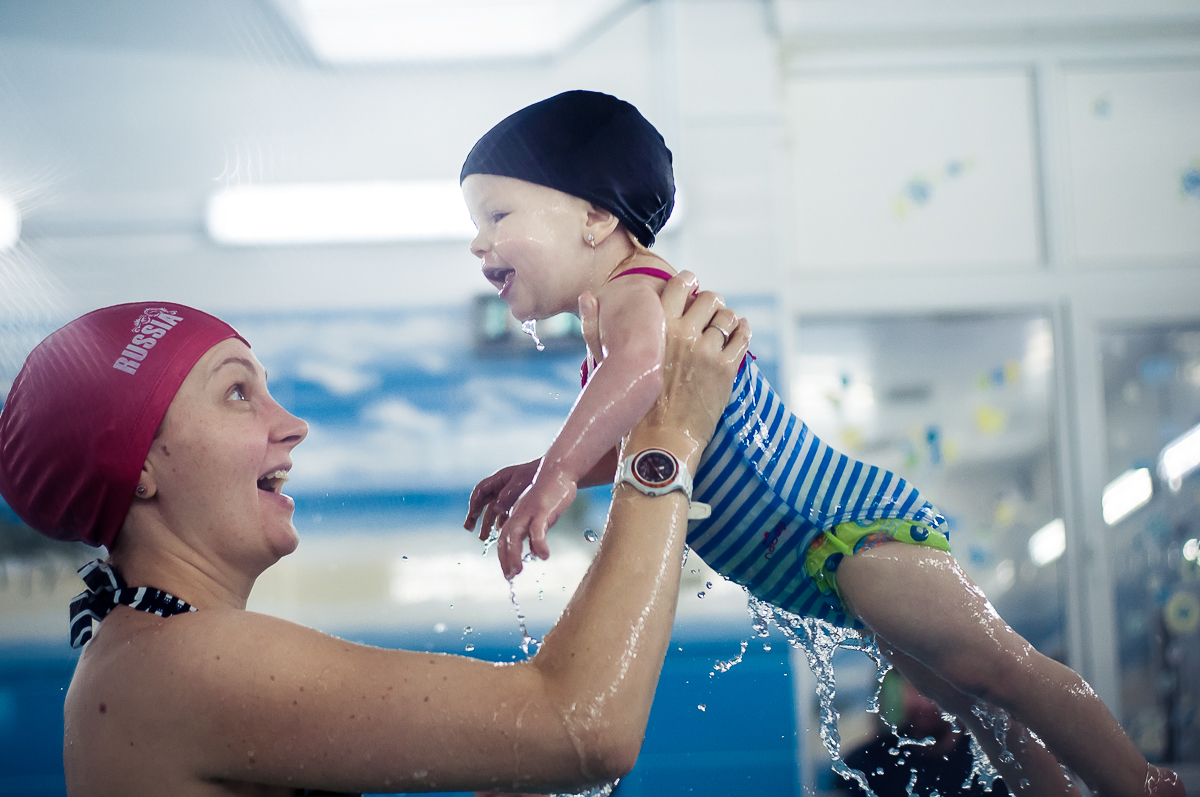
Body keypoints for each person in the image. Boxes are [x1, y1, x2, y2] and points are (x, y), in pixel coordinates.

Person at [458, 90, 1186, 797]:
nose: (477, 241)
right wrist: (540, 470)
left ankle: (1140, 782)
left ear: (594, 214)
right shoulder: (617, 323)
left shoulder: (634, 293)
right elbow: (640, 425)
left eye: (497, 212)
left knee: (999, 669)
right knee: (973, 694)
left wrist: (551, 475)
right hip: (833, 549)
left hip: (850, 532)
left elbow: (643, 371)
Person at [0, 281, 750, 796]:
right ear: (136, 468)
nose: (292, 423)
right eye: (238, 392)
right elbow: (585, 727)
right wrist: (666, 440)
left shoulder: (144, 654)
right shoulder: (178, 663)